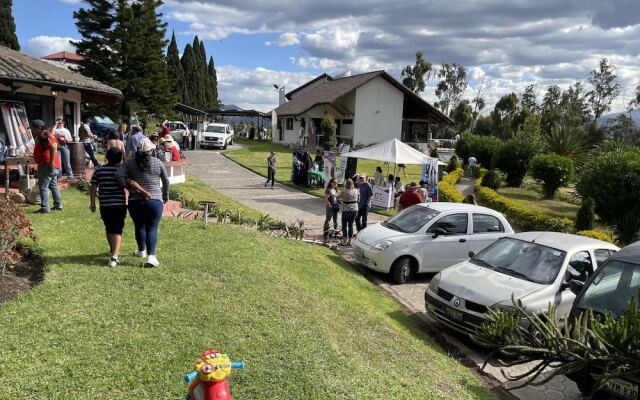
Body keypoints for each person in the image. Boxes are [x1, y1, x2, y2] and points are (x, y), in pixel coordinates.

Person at [118, 138, 169, 267]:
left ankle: (141, 251)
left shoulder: (129, 163)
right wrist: (165, 194)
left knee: (139, 226)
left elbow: (118, 175)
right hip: (155, 200)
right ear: (151, 151)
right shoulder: (158, 162)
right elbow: (166, 181)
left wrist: (128, 186)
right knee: (152, 228)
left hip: (135, 201)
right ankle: (151, 257)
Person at [90, 148, 126, 267]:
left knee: (109, 228)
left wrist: (93, 203)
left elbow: (93, 187)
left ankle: (112, 250)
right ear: (120, 158)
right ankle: (114, 257)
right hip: (119, 204)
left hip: (105, 204)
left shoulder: (99, 170)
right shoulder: (121, 170)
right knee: (117, 229)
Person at [32, 119, 63, 213]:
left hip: (47, 166)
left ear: (38, 128)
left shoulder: (43, 135)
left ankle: (45, 208)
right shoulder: (47, 134)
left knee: (43, 187)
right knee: (53, 186)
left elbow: (53, 147)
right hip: (53, 166)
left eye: (33, 128)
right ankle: (58, 205)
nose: (32, 131)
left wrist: (51, 163)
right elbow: (52, 136)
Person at [338, 179, 359, 246]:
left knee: (344, 225)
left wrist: (342, 202)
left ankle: (344, 241)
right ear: (352, 184)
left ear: (346, 184)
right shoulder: (356, 191)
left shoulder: (344, 191)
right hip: (354, 210)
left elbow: (338, 198)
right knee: (351, 225)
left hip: (346, 210)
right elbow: (358, 200)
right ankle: (349, 241)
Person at [323, 178, 339, 242]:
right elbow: (326, 199)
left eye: (336, 182)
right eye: (334, 182)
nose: (335, 184)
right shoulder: (328, 189)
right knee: (328, 220)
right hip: (330, 207)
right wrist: (329, 205)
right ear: (331, 183)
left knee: (336, 220)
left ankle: (335, 233)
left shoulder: (335, 189)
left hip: (335, 206)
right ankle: (325, 233)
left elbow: (336, 197)